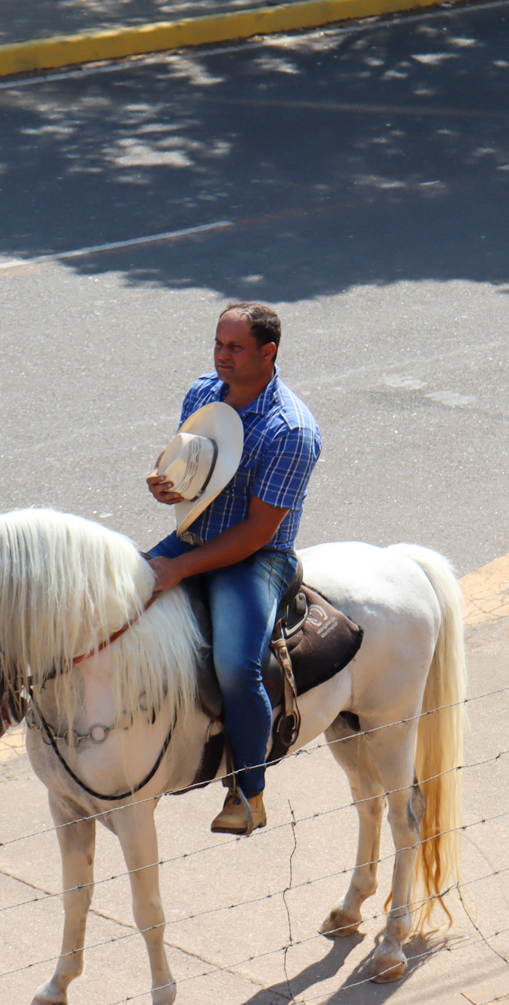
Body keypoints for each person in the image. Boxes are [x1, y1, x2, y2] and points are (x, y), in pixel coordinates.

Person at [145, 302, 322, 835]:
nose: (223, 356)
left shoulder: (292, 430)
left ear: (268, 353)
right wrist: (163, 482)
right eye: (219, 344)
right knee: (110, 606)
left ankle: (249, 793)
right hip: (193, 535)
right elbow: (187, 469)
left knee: (236, 665)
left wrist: (180, 568)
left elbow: (258, 531)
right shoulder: (203, 393)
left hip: (255, 560)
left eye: (236, 347)